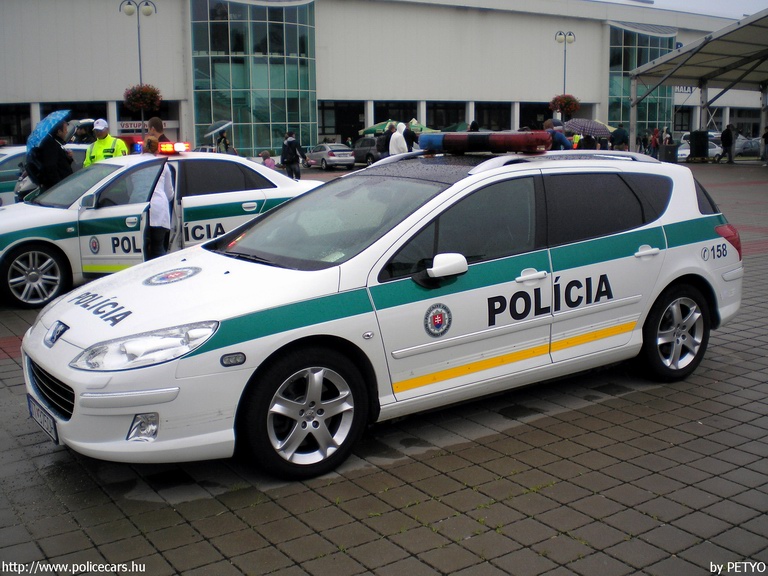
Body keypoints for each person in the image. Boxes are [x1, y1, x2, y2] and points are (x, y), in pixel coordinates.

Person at [142, 136, 175, 260]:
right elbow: (170, 193)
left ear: (142, 148)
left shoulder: (132, 164)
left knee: (142, 250)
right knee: (158, 248)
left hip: (139, 211)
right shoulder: (163, 166)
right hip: (158, 210)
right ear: (157, 149)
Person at [38, 120, 74, 190]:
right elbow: (51, 167)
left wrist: (68, 158)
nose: (66, 132)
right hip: (58, 187)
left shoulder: (56, 143)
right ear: (59, 132)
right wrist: (58, 186)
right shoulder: (50, 145)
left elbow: (60, 163)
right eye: (65, 130)